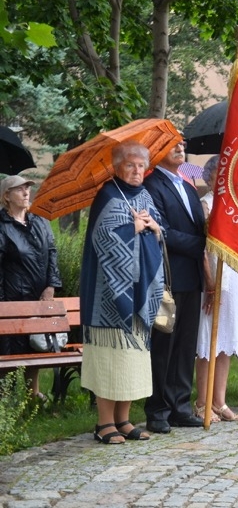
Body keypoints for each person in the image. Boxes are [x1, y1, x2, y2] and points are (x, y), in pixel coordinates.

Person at [80, 141, 163, 443]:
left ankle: (124, 420)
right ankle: (104, 424)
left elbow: (158, 232)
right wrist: (134, 229)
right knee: (110, 359)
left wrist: (154, 225)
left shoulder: (145, 196)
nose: (137, 170)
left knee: (132, 359)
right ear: (117, 167)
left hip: (139, 291)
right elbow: (104, 239)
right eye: (130, 164)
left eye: (141, 165)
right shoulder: (107, 195)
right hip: (107, 296)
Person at [143, 137, 207, 433]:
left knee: (185, 345)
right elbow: (162, 232)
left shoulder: (188, 186)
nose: (181, 148)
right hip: (167, 278)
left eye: (182, 144)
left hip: (192, 277)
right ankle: (158, 409)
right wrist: (202, 245)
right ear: (157, 153)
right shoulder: (152, 185)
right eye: (173, 145)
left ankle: (180, 405)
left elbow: (199, 226)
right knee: (164, 345)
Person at [194, 156, 238, 422]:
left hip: (236, 279)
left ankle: (219, 402)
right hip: (215, 280)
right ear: (209, 177)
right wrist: (209, 284)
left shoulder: (236, 206)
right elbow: (202, 251)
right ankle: (201, 401)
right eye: (219, 173)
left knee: (226, 341)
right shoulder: (205, 205)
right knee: (209, 342)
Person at [0, 175, 62, 400]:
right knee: (10, 347)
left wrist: (51, 286)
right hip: (12, 296)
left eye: (27, 188)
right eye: (19, 189)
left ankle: (32, 394)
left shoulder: (39, 221)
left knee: (34, 346)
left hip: (38, 296)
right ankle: (6, 398)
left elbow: (52, 253)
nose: (26, 193)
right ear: (7, 196)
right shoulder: (2, 226)